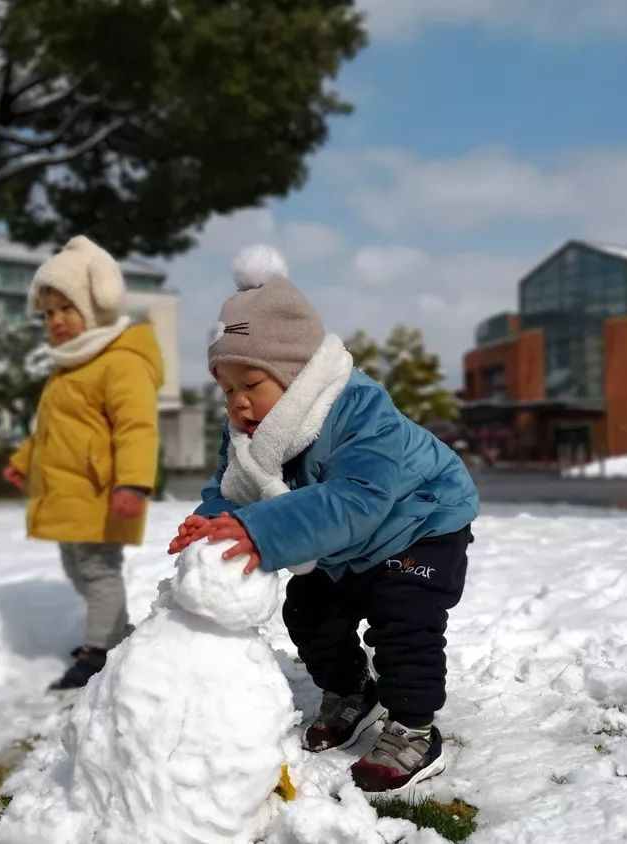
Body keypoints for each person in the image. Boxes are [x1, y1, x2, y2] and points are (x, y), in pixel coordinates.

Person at [168, 245, 478, 796]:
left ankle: (413, 728)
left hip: (420, 523)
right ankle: (353, 689)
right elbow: (228, 489)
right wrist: (211, 520)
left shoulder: (360, 408)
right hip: (343, 538)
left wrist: (260, 530)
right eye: (227, 388)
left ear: (293, 372)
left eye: (251, 385)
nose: (238, 403)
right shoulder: (247, 431)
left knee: (401, 614)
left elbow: (360, 498)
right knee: (309, 611)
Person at [4, 235, 163, 691]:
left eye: (66, 308)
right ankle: (110, 634)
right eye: (48, 313)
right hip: (67, 493)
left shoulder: (121, 362)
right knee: (77, 569)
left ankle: (100, 651)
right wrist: (23, 460)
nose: (55, 321)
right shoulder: (68, 368)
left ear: (96, 306)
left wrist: (133, 483)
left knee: (97, 571)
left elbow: (136, 427)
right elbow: (50, 431)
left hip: (101, 493)